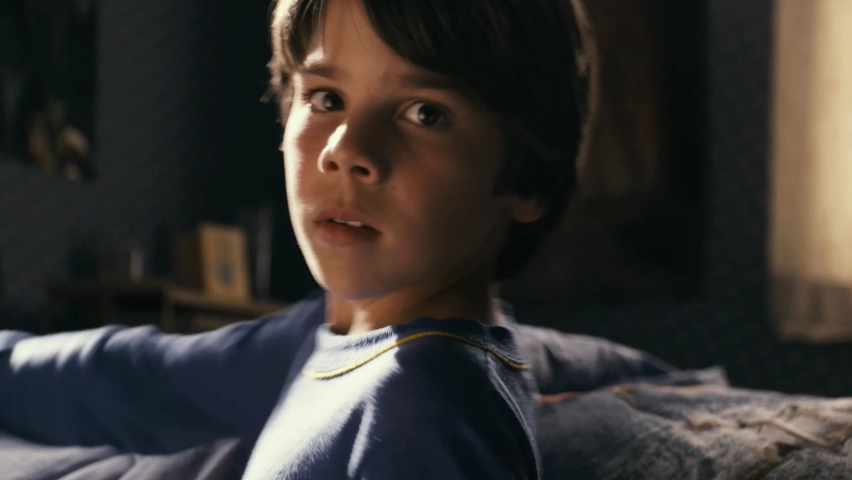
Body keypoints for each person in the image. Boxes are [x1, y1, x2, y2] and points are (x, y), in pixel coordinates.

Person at [0, 0, 593, 478]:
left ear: (530, 178)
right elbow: (132, 379)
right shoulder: (328, 335)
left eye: (425, 113)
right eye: (327, 98)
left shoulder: (432, 407)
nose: (345, 149)